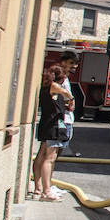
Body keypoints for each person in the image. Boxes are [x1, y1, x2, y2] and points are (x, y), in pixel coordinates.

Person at [31, 65, 73, 200]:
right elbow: (67, 94)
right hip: (54, 127)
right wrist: (70, 98)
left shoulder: (45, 87)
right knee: (50, 158)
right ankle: (47, 191)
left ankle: (38, 188)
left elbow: (53, 104)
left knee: (41, 156)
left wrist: (64, 106)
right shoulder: (54, 86)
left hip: (46, 124)